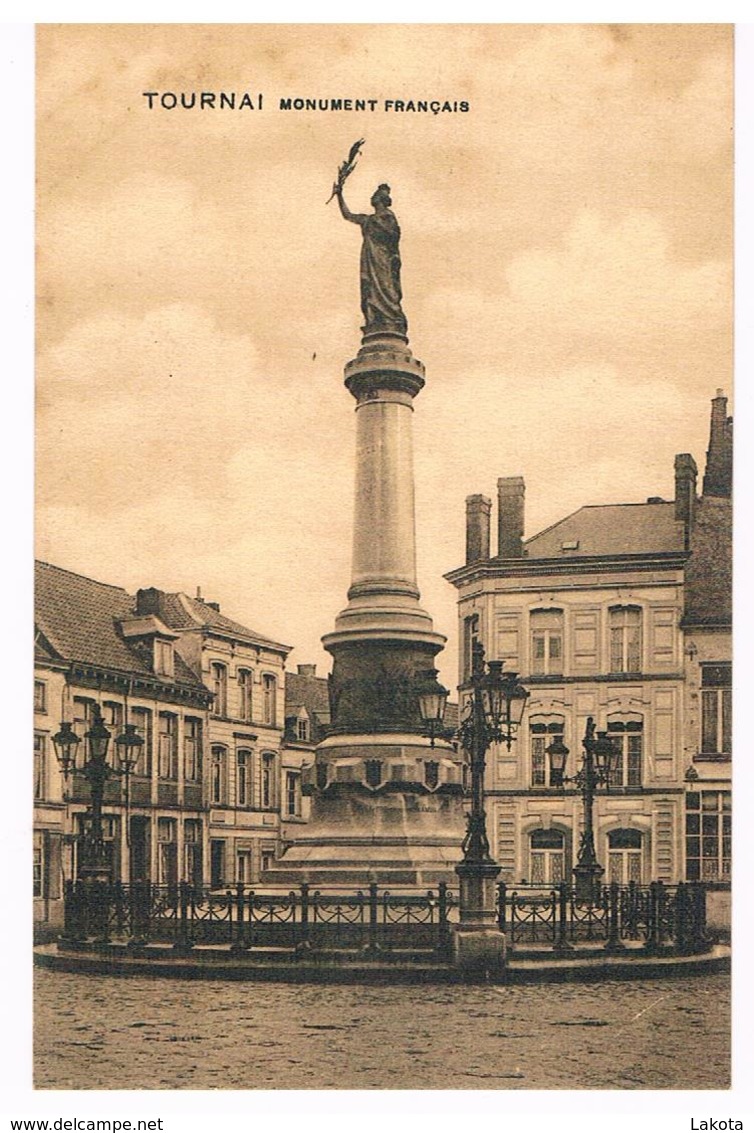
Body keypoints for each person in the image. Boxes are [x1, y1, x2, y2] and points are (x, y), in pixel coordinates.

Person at [334, 182, 408, 335]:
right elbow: (348, 215)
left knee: (386, 288)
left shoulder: (389, 217)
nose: (372, 197)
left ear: (381, 199)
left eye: (376, 195)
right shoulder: (367, 219)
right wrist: (339, 195)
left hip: (383, 258)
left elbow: (394, 237)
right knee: (370, 289)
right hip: (369, 258)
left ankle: (391, 318)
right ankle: (375, 319)